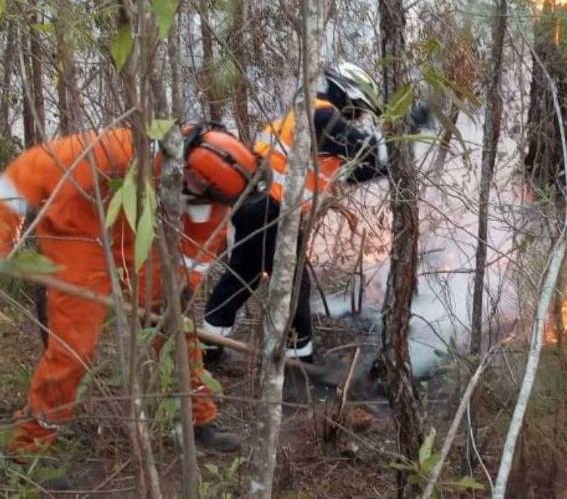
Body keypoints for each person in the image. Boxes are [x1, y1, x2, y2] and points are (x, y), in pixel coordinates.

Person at [0, 123, 256, 464]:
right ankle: (28, 445)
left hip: (141, 241)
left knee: (176, 332)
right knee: (75, 349)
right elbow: (21, 175)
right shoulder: (115, 150)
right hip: (78, 236)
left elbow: (195, 252)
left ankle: (195, 420)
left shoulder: (213, 197)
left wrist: (181, 290)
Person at [202, 62, 391, 367]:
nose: (358, 118)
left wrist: (389, 164)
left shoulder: (317, 123)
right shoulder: (322, 115)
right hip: (270, 209)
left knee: (243, 276)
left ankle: (207, 345)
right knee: (293, 284)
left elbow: (355, 173)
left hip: (257, 206)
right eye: (360, 110)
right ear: (349, 95)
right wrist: (406, 129)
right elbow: (363, 147)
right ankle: (299, 361)